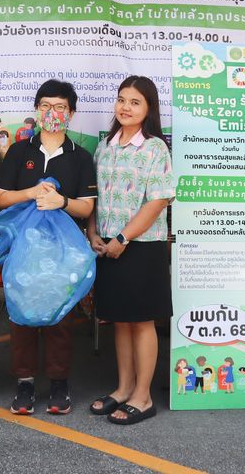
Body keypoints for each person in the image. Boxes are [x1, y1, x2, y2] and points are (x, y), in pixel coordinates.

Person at [0, 79, 97, 416]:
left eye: (61, 107)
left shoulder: (81, 157)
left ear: (72, 113)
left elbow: (86, 207)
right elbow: (0, 198)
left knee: (60, 317)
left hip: (63, 252)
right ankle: (24, 383)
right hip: (22, 249)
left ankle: (58, 383)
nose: (53, 113)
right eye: (46, 106)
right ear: (37, 110)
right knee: (21, 314)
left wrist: (61, 201)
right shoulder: (19, 152)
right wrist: (31, 193)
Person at [88, 75, 175, 425]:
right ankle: (123, 388)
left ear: (149, 108)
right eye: (121, 99)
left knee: (141, 322)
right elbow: (94, 196)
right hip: (108, 246)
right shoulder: (105, 146)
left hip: (141, 247)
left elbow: (158, 201)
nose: (125, 107)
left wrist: (123, 239)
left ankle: (143, 395)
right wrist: (93, 232)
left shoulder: (155, 148)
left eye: (135, 102)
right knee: (120, 321)